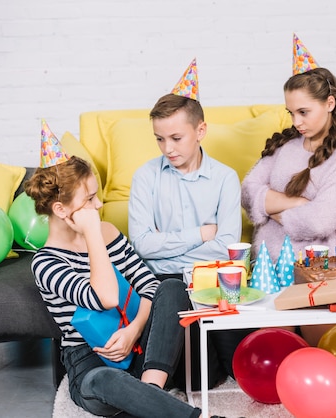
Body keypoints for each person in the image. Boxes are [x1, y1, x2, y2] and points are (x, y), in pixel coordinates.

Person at [28, 122, 200, 417]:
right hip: (90, 360)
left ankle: (150, 393)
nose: (99, 204)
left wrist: (134, 331)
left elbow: (150, 285)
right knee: (105, 381)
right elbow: (104, 298)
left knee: (172, 285)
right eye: (89, 199)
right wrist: (92, 233)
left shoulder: (108, 232)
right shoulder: (45, 263)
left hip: (140, 348)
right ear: (61, 210)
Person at [128, 59, 252, 389]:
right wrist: (199, 234)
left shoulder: (225, 178)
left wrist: (165, 248)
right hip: (160, 286)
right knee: (170, 287)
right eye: (159, 139)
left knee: (207, 378)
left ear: (200, 131)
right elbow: (141, 244)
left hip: (211, 283)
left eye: (175, 137)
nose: (167, 148)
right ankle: (150, 388)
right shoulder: (145, 177)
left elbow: (226, 246)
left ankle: (158, 380)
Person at [241, 35, 336, 345]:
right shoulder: (287, 145)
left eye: (303, 112)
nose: (296, 121)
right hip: (271, 267)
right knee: (272, 349)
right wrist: (294, 202)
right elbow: (248, 191)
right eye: (291, 113)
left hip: (321, 271)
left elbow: (320, 221)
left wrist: (273, 209)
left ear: (329, 104)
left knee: (325, 350)